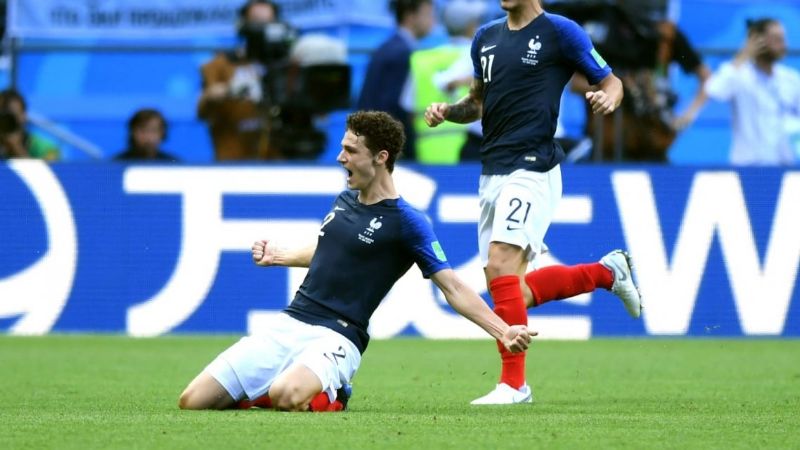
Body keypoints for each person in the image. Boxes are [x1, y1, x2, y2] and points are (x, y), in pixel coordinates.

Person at [178, 110, 534, 413]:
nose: (340, 157)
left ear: (381, 157)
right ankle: (277, 390)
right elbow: (330, 251)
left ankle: (334, 395)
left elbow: (453, 286)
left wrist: (503, 331)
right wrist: (280, 255)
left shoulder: (409, 222)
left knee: (285, 394)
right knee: (192, 401)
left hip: (340, 334)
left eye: (350, 150)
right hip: (291, 320)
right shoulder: (345, 199)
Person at [424, 0, 642, 405]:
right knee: (512, 293)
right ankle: (606, 273)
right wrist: (447, 112)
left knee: (500, 263)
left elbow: (611, 81)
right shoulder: (485, 37)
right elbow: (477, 103)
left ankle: (513, 385)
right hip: (492, 169)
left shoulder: (561, 32)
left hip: (534, 166)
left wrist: (608, 99)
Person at [566, 1, 710, 162]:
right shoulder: (604, 25)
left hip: (652, 140)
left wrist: (686, 117)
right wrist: (616, 90)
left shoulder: (666, 34)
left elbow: (706, 78)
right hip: (608, 144)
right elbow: (575, 83)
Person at [704, 17, 800, 166]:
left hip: (783, 165)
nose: (783, 45)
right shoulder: (739, 75)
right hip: (747, 166)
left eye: (783, 39)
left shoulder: (791, 79)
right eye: (777, 39)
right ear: (757, 41)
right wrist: (743, 55)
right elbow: (714, 90)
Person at [404, 0, 487, 163]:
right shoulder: (481, 55)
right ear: (471, 25)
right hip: (470, 151)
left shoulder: (421, 60)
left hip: (428, 152)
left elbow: (410, 112)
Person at [196, 0, 279, 161]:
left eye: (268, 22)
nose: (261, 28)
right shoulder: (220, 64)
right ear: (242, 24)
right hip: (232, 159)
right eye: (256, 21)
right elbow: (201, 111)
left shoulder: (287, 64)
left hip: (279, 161)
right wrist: (227, 90)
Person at [357, 0, 435, 160]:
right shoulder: (402, 53)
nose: (433, 21)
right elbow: (393, 106)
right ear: (410, 16)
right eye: (427, 15)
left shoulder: (389, 47)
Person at [0, 89, 60, 160]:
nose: (7, 122)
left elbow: (48, 170)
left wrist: (17, 148)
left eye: (12, 117)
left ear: (24, 116)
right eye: (2, 117)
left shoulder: (47, 149)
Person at [113, 108, 178, 161]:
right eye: (143, 131)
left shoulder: (174, 165)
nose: (148, 136)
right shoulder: (115, 164)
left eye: (153, 130)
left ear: (163, 133)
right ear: (132, 132)